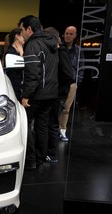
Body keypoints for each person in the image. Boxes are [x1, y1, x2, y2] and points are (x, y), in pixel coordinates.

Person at [18, 15, 59, 170]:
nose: (21, 33)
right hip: (51, 93)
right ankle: (40, 159)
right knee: (42, 126)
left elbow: (32, 73)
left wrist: (26, 95)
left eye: (22, 29)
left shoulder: (33, 44)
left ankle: (30, 161)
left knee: (26, 126)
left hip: (36, 94)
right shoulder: (52, 43)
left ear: (29, 29)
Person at [44, 27, 75, 163]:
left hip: (57, 93)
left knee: (52, 124)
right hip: (55, 92)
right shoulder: (59, 51)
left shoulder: (61, 52)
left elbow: (69, 74)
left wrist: (56, 85)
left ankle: (52, 154)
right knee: (51, 123)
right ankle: (50, 153)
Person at [58, 25, 83, 142]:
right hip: (58, 83)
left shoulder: (78, 50)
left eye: (71, 34)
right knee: (55, 107)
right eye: (66, 33)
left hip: (71, 83)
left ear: (75, 35)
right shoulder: (58, 47)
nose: (68, 36)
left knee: (66, 108)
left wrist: (77, 80)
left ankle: (62, 130)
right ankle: (53, 130)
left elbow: (81, 67)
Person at [3, 27, 25, 101]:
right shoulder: (10, 53)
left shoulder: (17, 51)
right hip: (14, 89)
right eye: (22, 35)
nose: (24, 38)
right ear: (17, 36)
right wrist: (22, 53)